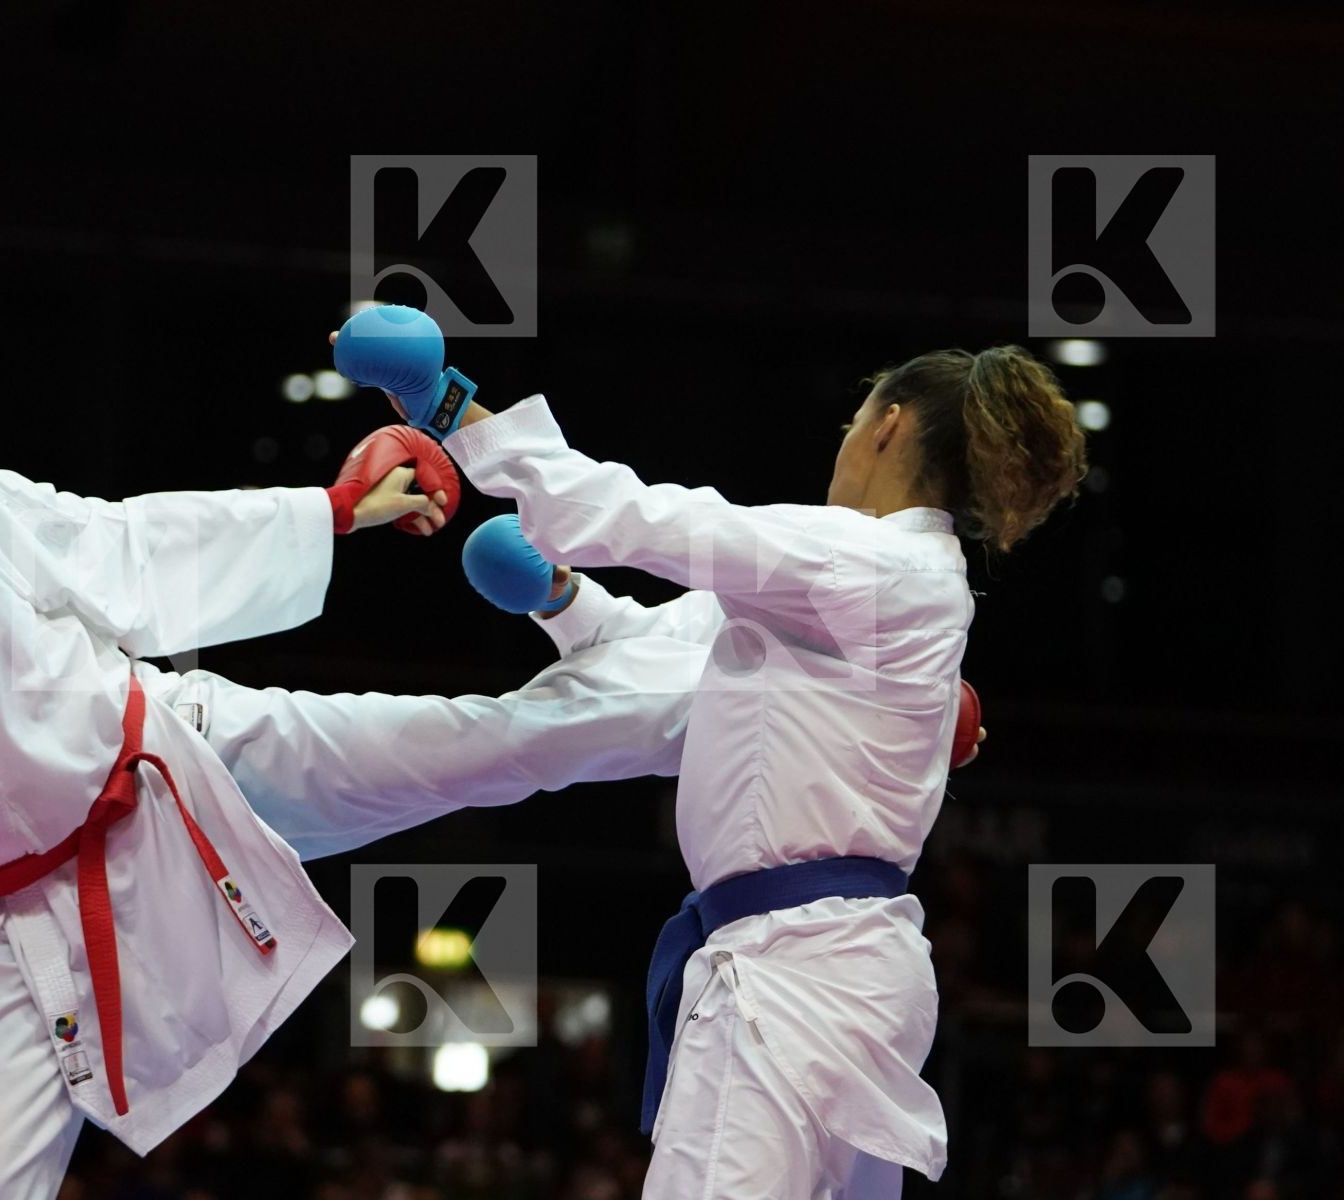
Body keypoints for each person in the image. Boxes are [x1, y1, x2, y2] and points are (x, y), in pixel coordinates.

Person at [0, 335, 711, 1198]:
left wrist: (328, 513)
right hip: (17, 927)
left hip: (176, 756)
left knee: (477, 743)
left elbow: (119, 547)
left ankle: (696, 688)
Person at [333, 306, 1087, 1198]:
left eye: (855, 423)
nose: (845, 444)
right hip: (841, 973)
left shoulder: (860, 560)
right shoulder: (896, 580)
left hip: (793, 976)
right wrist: (563, 600)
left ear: (888, 422)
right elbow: (681, 653)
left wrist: (448, 405)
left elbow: (627, 514)